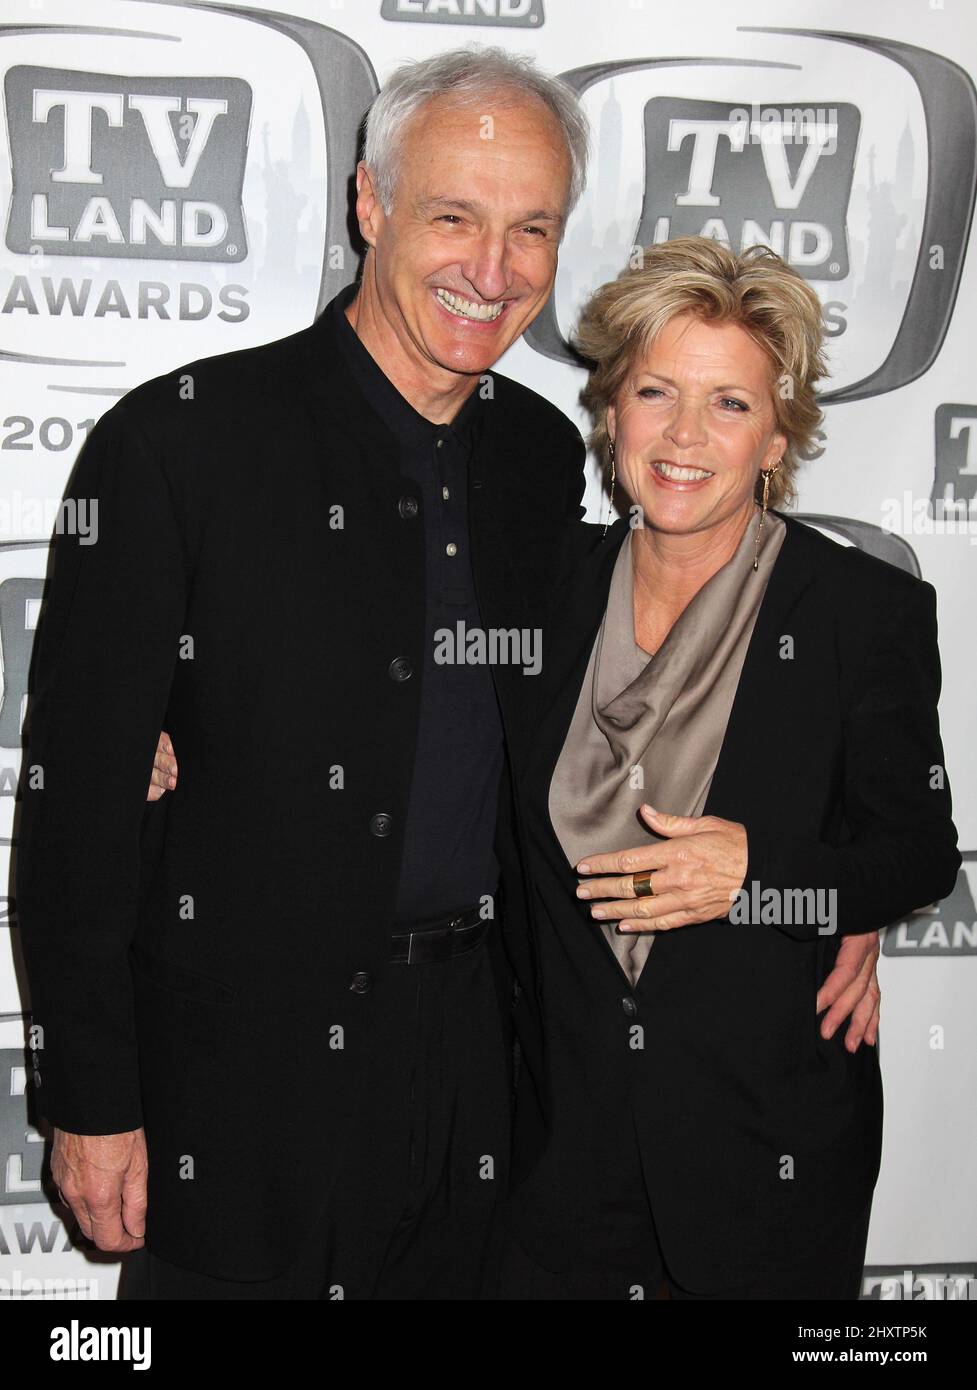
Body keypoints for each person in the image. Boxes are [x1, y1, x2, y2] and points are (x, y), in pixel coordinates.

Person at [16, 46, 590, 1301]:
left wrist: (830, 886)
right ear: (368, 206)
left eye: (530, 228)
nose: (492, 271)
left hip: (482, 1066)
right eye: (452, 216)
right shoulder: (177, 444)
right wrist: (92, 1099)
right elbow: (76, 807)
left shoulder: (546, 460)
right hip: (238, 1071)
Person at [490, 236, 960, 1300]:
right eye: (654, 391)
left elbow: (915, 853)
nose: (684, 435)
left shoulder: (856, 614)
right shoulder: (537, 591)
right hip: (549, 1166)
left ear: (778, 436)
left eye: (729, 404)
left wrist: (764, 880)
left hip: (762, 1166)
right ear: (610, 412)